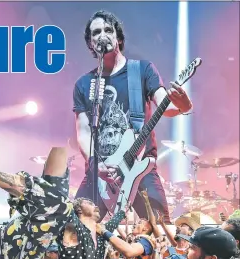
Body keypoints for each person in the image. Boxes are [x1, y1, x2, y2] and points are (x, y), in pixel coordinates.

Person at [72, 10, 193, 222]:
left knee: (161, 230)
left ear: (118, 38)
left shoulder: (142, 70)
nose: (102, 35)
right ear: (90, 43)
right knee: (74, 231)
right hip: (100, 174)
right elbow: (83, 130)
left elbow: (165, 104)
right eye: (96, 32)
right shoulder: (84, 84)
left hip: (140, 167)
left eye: (108, 30)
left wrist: (184, 105)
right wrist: (94, 162)